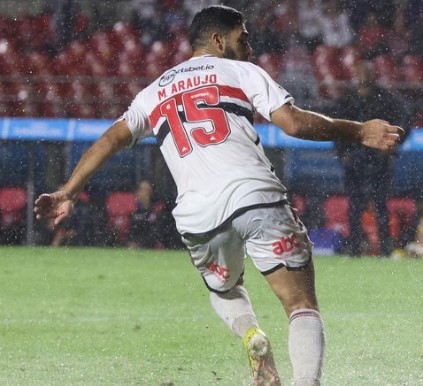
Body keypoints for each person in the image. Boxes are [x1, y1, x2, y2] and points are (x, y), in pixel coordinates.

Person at [34, 6, 403, 385]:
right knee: (300, 306)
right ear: (217, 40)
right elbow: (292, 123)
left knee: (224, 289)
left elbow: (111, 138)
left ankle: (251, 334)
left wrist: (67, 191)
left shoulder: (154, 90)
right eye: (242, 38)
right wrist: (359, 131)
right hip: (255, 196)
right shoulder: (240, 72)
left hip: (198, 214)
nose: (250, 45)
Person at [332, 60, 410, 257]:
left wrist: (393, 145)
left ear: (373, 74)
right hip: (355, 159)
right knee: (355, 205)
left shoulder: (385, 98)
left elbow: (404, 120)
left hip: (379, 158)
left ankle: (384, 249)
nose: (362, 76)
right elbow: (335, 127)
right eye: (359, 71)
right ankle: (355, 248)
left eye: (366, 71)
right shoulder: (347, 100)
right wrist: (344, 154)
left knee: (380, 203)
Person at [127, 179, 169, 249]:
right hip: (136, 246)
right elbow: (131, 231)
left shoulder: (158, 208)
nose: (144, 192)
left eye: (146, 190)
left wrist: (141, 244)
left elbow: (158, 232)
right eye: (142, 189)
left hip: (154, 246)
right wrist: (132, 242)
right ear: (137, 192)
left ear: (151, 192)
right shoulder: (133, 210)